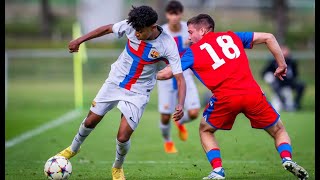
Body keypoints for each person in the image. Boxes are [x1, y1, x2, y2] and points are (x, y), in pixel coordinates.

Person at [157, 14, 309, 179]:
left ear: (202, 30)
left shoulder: (192, 52)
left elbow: (167, 74)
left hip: (225, 98)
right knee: (278, 130)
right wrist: (281, 64)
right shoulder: (232, 36)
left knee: (205, 130)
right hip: (252, 93)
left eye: (191, 32)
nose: (189, 36)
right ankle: (286, 158)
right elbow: (269, 37)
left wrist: (141, 74)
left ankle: (217, 170)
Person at [52, 5, 186, 180]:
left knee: (123, 136)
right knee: (91, 120)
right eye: (135, 30)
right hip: (115, 82)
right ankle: (73, 149)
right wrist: (80, 40)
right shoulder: (131, 25)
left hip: (138, 92)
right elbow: (107, 28)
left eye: (140, 31)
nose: (136, 33)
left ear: (152, 27)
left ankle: (117, 167)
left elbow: (180, 78)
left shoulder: (167, 45)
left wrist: (180, 104)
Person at [157, 0, 201, 153]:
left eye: (177, 14)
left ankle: (180, 122)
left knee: (194, 112)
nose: (174, 17)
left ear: (181, 14)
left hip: (185, 75)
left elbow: (199, 45)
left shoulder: (189, 30)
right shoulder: (160, 32)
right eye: (171, 14)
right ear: (167, 15)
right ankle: (168, 141)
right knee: (164, 116)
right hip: (167, 78)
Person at [262, 45, 305, 112]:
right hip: (278, 83)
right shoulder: (274, 61)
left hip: (289, 83)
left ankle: (296, 104)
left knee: (301, 85)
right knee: (273, 83)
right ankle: (281, 100)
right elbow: (264, 72)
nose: (285, 52)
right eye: (283, 50)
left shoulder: (291, 62)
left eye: (286, 50)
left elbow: (295, 74)